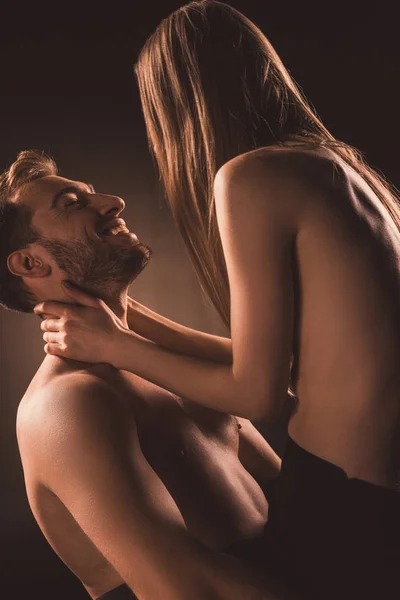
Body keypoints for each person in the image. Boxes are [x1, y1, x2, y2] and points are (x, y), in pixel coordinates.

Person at [34, 1, 400, 598]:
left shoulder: (248, 178)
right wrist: (134, 326)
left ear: (182, 100)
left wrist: (117, 346)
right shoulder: (340, 168)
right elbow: (290, 361)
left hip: (344, 508)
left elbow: (261, 394)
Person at [0, 149, 297, 600]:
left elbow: (290, 494)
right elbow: (189, 590)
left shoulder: (153, 364)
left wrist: (127, 325)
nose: (113, 201)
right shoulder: (68, 403)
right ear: (29, 264)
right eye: (71, 203)